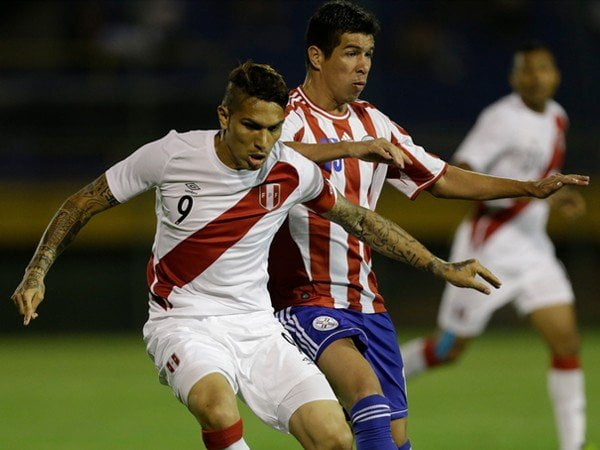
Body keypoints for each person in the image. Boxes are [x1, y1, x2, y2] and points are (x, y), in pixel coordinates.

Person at [10, 61, 505, 450]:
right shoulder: (171, 154)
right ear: (223, 117)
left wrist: (441, 266)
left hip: (258, 326)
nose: (263, 141)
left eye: (274, 129)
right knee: (217, 407)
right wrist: (37, 272)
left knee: (333, 437)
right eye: (251, 126)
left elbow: (362, 221)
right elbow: (83, 202)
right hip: (184, 321)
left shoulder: (289, 169)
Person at [266, 3, 590, 449]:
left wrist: (528, 188)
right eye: (350, 53)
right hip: (305, 298)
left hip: (366, 302)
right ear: (317, 56)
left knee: (397, 440)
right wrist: (352, 148)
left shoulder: (373, 121)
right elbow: (264, 159)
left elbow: (443, 177)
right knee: (368, 402)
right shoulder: (284, 116)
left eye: (369, 54)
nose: (363, 67)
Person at [401, 43, 591, 450]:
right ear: (515, 78)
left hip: (534, 250)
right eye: (528, 70)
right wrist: (519, 193)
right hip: (488, 247)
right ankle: (373, 383)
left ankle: (573, 446)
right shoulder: (500, 118)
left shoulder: (558, 117)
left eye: (544, 69)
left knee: (567, 342)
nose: (536, 77)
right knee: (450, 348)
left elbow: (541, 173)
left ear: (555, 75)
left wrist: (556, 195)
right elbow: (463, 169)